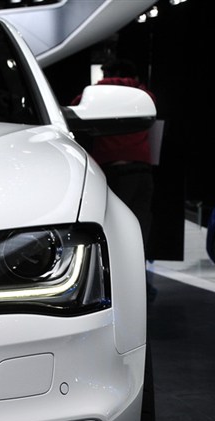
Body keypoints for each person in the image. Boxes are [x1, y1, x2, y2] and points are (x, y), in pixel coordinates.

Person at [73, 57, 158, 299]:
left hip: (111, 173)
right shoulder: (141, 95)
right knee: (139, 232)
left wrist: (102, 87)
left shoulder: (96, 95)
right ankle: (139, 287)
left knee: (110, 232)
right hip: (141, 172)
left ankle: (110, 288)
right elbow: (153, 103)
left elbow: (74, 108)